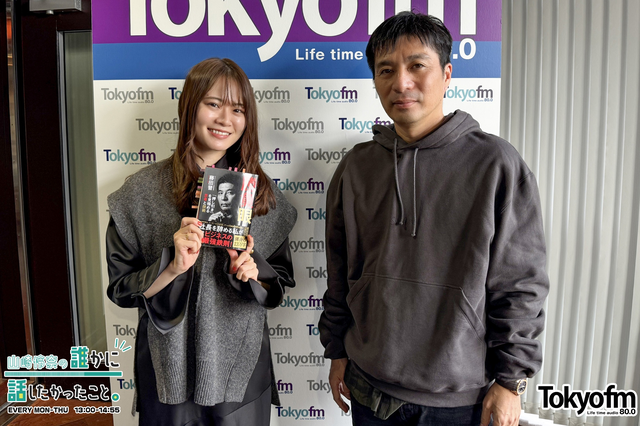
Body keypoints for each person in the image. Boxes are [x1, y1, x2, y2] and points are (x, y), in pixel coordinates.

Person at [318, 12, 549, 426]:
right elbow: (340, 273)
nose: (401, 82)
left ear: (446, 74)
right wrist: (336, 350)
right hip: (368, 386)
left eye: (417, 66)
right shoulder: (356, 167)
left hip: (459, 400)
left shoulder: (496, 164)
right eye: (386, 70)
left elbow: (520, 284)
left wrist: (511, 381)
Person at [106, 57, 297, 426]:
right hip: (168, 374)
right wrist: (172, 267)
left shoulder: (262, 197)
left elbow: (278, 285)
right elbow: (121, 289)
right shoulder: (138, 194)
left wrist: (252, 272)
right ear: (189, 107)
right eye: (213, 104)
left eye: (238, 109)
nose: (225, 119)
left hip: (241, 375)